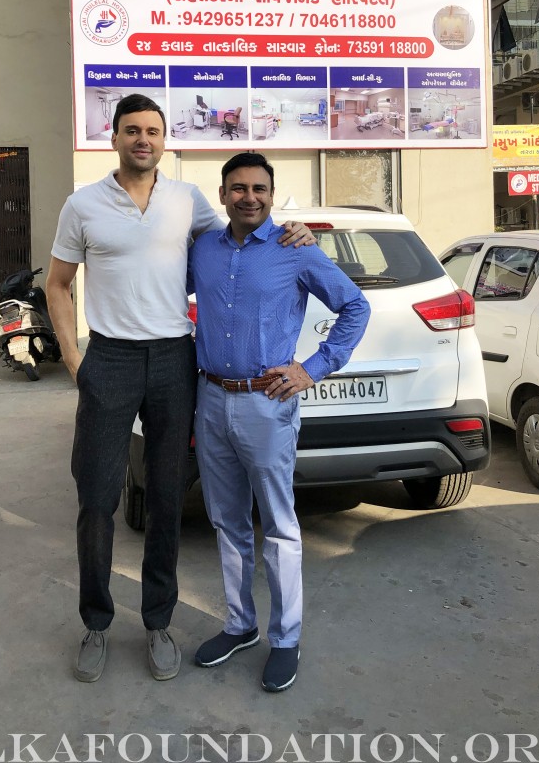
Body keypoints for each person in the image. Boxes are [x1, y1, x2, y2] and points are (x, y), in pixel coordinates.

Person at [45, 93, 313, 685]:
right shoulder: (83, 204)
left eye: (154, 131)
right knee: (96, 496)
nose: (144, 139)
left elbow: (238, 245)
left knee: (166, 497)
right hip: (110, 360)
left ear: (165, 141)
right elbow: (58, 285)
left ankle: (158, 621)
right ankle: (95, 621)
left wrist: (293, 230)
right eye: (133, 130)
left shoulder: (188, 200)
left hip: (174, 360)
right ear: (113, 137)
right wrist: (75, 360)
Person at [188, 151, 370, 693]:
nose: (249, 197)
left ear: (272, 193)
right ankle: (240, 625)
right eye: (238, 188)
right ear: (222, 195)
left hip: (267, 403)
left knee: (280, 526)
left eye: (259, 188)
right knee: (226, 521)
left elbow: (355, 306)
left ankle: (285, 638)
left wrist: (312, 368)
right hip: (211, 397)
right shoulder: (203, 249)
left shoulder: (296, 249)